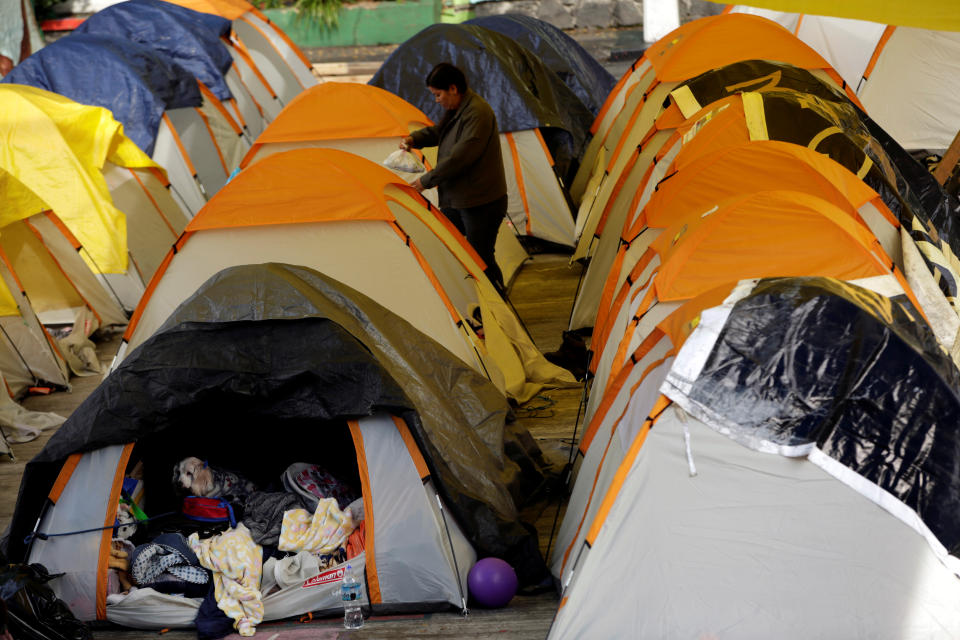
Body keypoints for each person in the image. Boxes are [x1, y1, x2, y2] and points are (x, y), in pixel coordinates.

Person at [401, 62, 508, 292]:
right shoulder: (460, 108)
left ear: (453, 88)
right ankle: (475, 299)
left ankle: (499, 304)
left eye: (438, 94)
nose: (437, 100)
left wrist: (425, 181)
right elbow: (441, 131)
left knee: (481, 258)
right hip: (459, 199)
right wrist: (414, 139)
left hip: (481, 203)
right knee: (451, 244)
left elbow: (461, 158)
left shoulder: (477, 113)